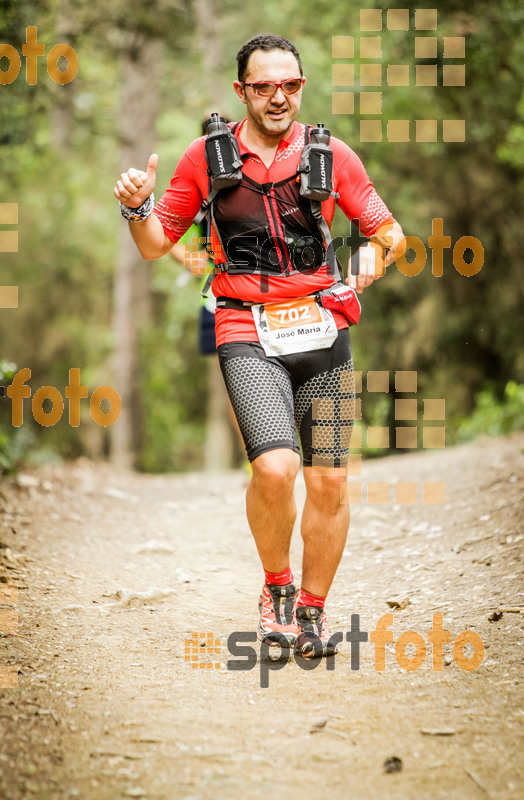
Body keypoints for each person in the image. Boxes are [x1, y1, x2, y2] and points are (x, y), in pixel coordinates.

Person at [113, 34, 404, 659]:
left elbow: (388, 234)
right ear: (241, 90)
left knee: (327, 483)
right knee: (275, 468)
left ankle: (313, 613)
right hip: (245, 326)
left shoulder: (332, 155)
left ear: (302, 86)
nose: (280, 97)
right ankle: (277, 588)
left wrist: (359, 273)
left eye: (291, 85)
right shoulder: (204, 157)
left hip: (321, 328)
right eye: (265, 86)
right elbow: (154, 243)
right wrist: (137, 209)